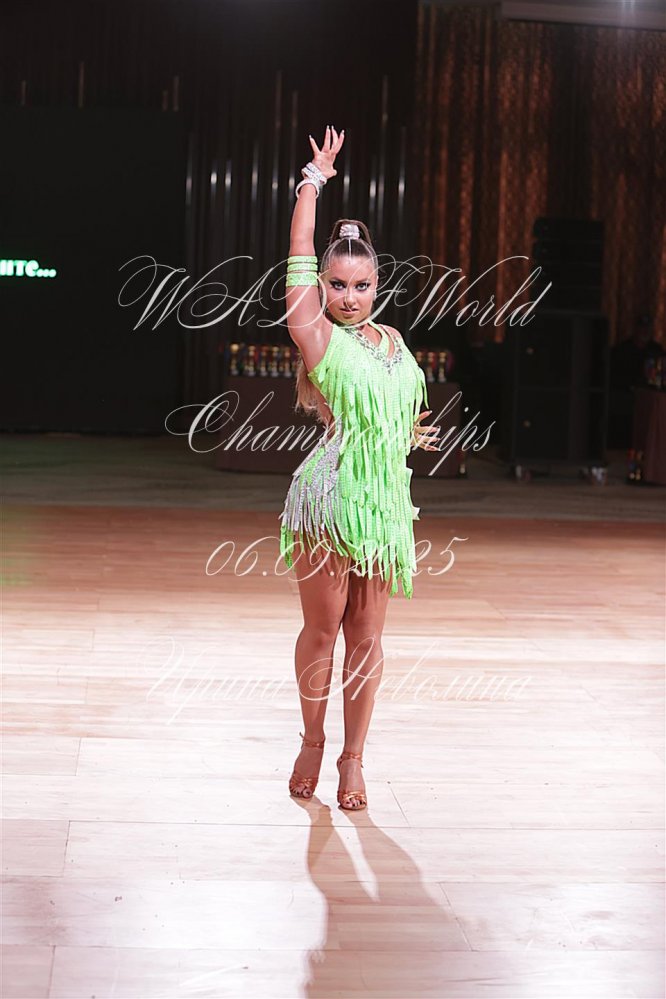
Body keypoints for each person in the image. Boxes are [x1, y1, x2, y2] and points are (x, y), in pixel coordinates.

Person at [278, 125, 440, 810]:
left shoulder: (394, 339)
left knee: (368, 638)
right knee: (323, 630)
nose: (349, 296)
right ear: (322, 286)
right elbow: (297, 253)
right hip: (329, 501)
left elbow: (398, 412)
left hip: (384, 505)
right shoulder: (316, 334)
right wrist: (313, 183)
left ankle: (353, 758)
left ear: (377, 285)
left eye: (361, 285)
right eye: (338, 284)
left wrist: (410, 433)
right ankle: (313, 741)